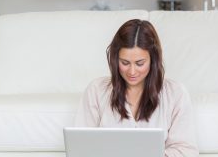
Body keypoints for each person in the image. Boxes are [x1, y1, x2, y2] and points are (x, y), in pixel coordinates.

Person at [75, 19, 199, 157]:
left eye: (140, 63)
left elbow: (187, 151)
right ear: (115, 59)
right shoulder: (96, 90)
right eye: (125, 63)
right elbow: (81, 147)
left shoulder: (176, 94)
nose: (132, 72)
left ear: (153, 60)